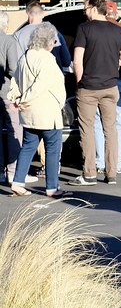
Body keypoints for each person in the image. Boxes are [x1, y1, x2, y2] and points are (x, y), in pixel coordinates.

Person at [7, 23, 70, 198]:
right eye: (54, 41)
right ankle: (52, 187)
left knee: (28, 146)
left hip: (29, 112)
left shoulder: (25, 56)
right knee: (52, 149)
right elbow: (41, 84)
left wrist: (16, 98)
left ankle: (18, 182)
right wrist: (24, 98)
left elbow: (16, 81)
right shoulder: (47, 59)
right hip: (47, 111)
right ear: (48, 41)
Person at [72, 0, 121, 186]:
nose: (85, 12)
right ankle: (111, 173)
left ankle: (89, 175)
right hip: (110, 86)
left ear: (95, 8)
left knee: (87, 130)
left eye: (86, 9)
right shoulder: (118, 30)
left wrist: (80, 81)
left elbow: (77, 60)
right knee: (110, 130)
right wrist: (112, 65)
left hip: (88, 87)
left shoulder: (84, 29)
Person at [95, 0, 121, 178]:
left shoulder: (90, 28)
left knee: (97, 121)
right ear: (115, 13)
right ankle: (120, 161)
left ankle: (101, 161)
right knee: (119, 122)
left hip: (97, 80)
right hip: (120, 80)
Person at [0, 12, 26, 185]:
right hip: (6, 92)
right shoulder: (9, 41)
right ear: (6, 24)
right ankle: (12, 171)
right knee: (14, 130)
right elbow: (13, 69)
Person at [14, 0, 71, 71]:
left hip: (30, 78)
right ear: (43, 14)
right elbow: (66, 61)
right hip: (54, 76)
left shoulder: (18, 35)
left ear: (28, 14)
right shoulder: (54, 32)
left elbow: (16, 63)